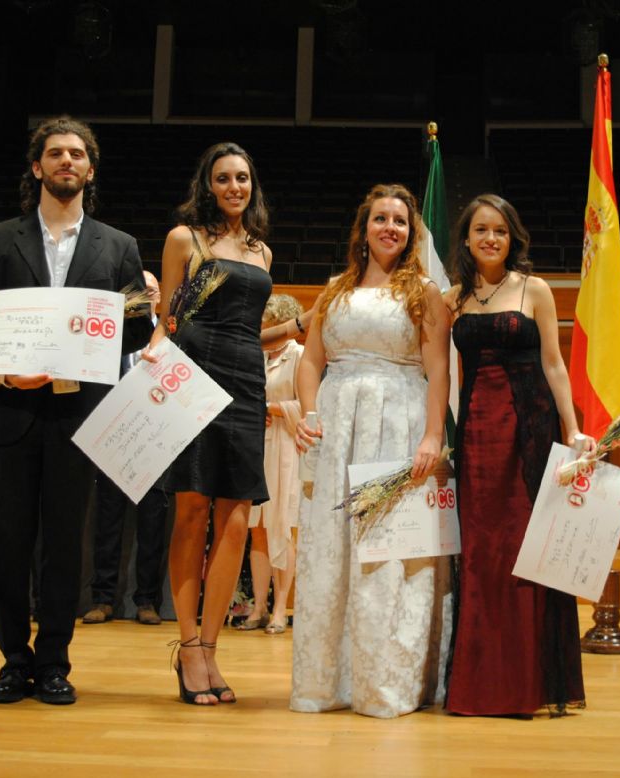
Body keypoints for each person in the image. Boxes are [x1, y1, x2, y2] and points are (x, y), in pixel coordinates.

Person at [0, 116, 154, 705]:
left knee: (66, 546)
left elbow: (134, 330)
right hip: (10, 410)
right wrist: (2, 368)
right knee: (8, 545)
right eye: (56, 152)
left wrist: (135, 314)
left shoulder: (118, 246)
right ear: (37, 166)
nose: (67, 160)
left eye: (77, 154)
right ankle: (13, 661)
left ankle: (54, 664)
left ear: (90, 170)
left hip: (77, 416)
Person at [147, 142, 310, 706]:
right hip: (192, 380)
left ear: (251, 185)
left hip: (245, 384)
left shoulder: (262, 252)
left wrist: (295, 327)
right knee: (192, 511)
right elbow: (171, 318)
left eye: (242, 178)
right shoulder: (185, 239)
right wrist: (152, 353)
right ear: (208, 185)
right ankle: (189, 646)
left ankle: (212, 649)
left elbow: (246, 333)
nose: (234, 187)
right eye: (223, 178)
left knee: (237, 517)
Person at [291, 183, 453, 719]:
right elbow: (310, 362)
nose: (390, 228)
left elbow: (438, 370)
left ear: (411, 233)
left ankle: (384, 683)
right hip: (338, 429)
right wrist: (310, 413)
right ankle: (326, 683)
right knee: (332, 550)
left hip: (397, 425)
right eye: (381, 218)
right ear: (364, 229)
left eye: (400, 221)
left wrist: (432, 436)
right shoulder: (334, 289)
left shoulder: (424, 292)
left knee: (386, 552)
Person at [443, 193, 594, 716]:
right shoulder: (452, 298)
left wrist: (573, 429)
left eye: (500, 231)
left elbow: (554, 365)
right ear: (466, 239)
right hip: (476, 439)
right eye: (481, 230)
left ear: (513, 239)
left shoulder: (536, 289)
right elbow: (443, 374)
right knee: (481, 552)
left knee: (528, 549)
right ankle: (479, 685)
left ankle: (529, 684)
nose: (491, 238)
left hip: (530, 430)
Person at [83, 270, 169, 627]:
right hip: (114, 436)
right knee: (107, 522)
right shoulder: (111, 335)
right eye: (141, 290)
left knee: (153, 524)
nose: (147, 295)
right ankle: (102, 599)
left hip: (156, 438)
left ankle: (146, 601)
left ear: (160, 296)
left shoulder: (172, 335)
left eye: (152, 290)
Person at [237, 293, 305, 635]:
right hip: (256, 445)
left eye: (269, 324)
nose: (263, 330)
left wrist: (272, 409)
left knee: (282, 526)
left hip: (287, 446)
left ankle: (281, 608)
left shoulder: (299, 355)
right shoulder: (256, 354)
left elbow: (309, 406)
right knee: (258, 529)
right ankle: (259, 606)